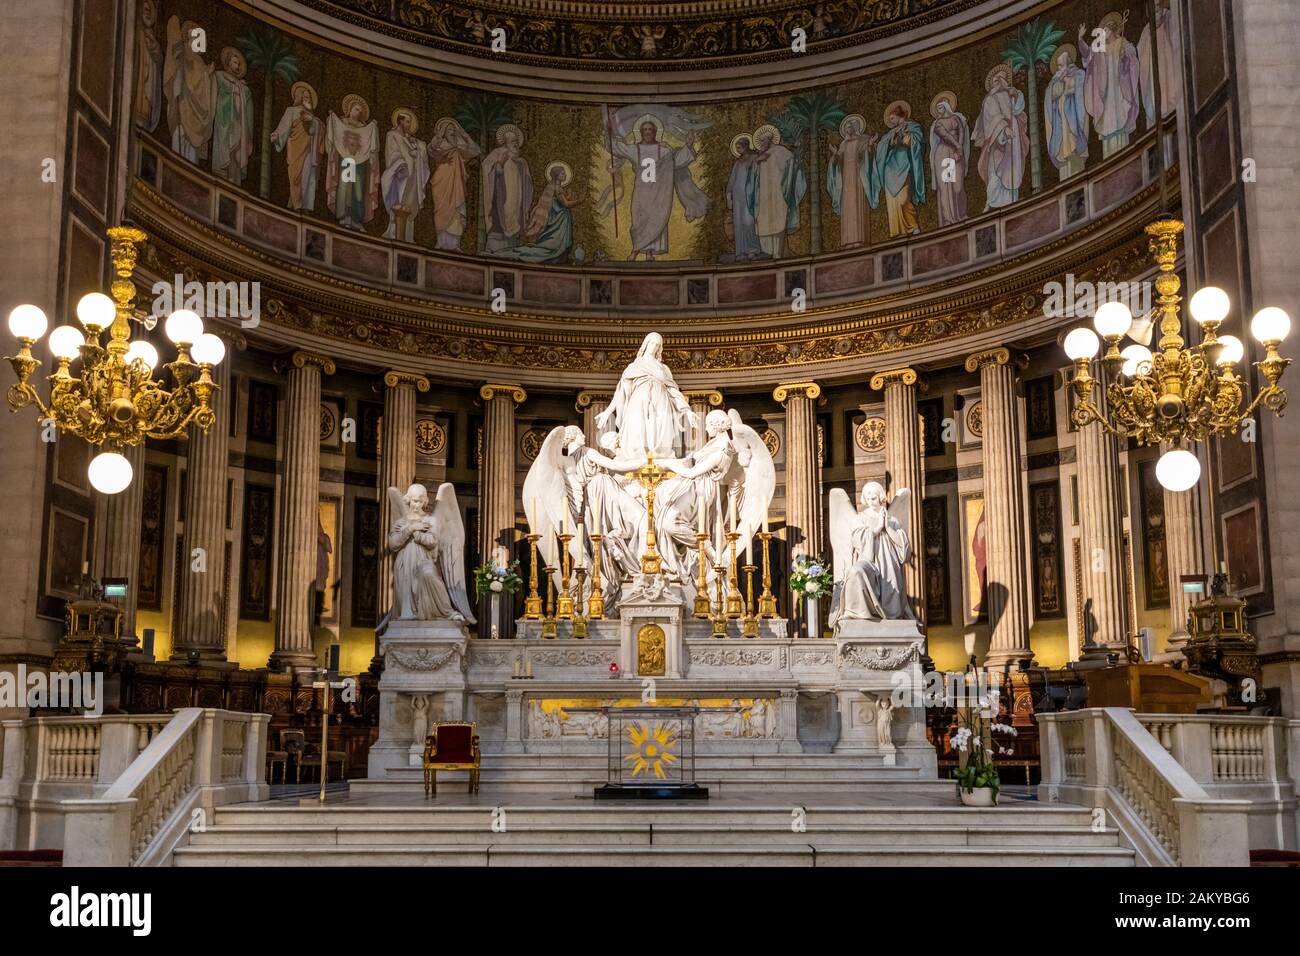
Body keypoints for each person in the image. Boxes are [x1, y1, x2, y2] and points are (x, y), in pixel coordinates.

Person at [595, 332, 692, 460]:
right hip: (638, 401)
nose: (654, 347)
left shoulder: (664, 369)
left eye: (658, 345)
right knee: (637, 432)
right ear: (646, 344)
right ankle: (636, 461)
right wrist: (608, 412)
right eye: (652, 343)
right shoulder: (634, 366)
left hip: (661, 401)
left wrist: (687, 411)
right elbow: (621, 392)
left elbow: (673, 391)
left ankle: (660, 460)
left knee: (661, 437)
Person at [830, 481, 913, 627]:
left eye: (873, 495)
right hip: (868, 560)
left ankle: (891, 618)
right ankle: (856, 612)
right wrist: (877, 528)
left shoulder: (892, 519)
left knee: (892, 588)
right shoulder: (860, 518)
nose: (870, 499)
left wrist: (887, 527)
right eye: (867, 496)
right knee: (856, 572)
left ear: (880, 496)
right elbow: (857, 540)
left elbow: (904, 547)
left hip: (888, 561)